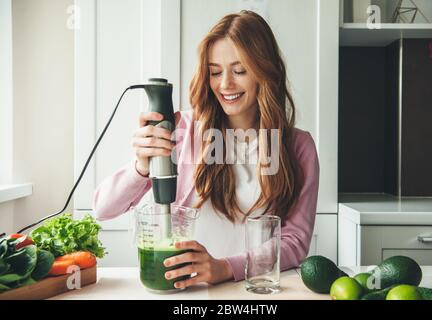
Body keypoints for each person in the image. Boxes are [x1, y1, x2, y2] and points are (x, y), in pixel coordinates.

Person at [93, 10, 319, 290]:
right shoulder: (184, 130)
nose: (225, 84)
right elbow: (103, 208)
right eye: (215, 72)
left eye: (239, 71)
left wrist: (225, 267)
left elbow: (295, 241)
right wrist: (141, 164)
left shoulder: (298, 147)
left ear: (265, 72)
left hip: (252, 289)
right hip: (185, 290)